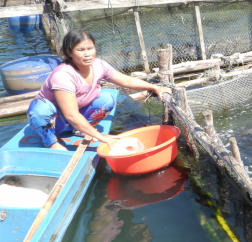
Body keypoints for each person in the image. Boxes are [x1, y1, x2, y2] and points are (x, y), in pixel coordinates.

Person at [28, 29, 171, 151]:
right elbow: (71, 115)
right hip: (54, 121)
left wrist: (154, 87)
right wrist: (101, 137)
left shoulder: (99, 65)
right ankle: (51, 142)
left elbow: (126, 80)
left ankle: (80, 129)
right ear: (69, 52)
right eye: (81, 50)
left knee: (108, 98)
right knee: (40, 109)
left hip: (75, 118)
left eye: (90, 48)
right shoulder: (63, 75)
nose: (87, 54)